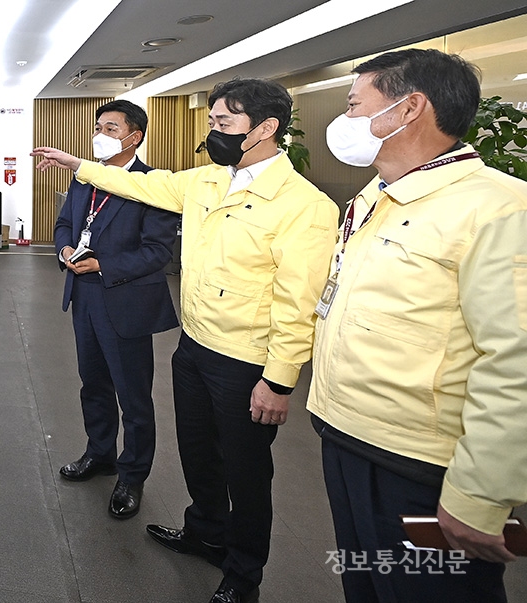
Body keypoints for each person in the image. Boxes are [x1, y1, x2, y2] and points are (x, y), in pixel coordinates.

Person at [32, 78, 339, 603]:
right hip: (195, 343)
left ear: (266, 127)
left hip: (246, 358)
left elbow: (298, 303)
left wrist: (279, 380)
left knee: (245, 472)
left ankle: (242, 574)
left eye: (224, 122)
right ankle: (204, 532)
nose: (212, 131)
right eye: (211, 120)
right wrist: (74, 163)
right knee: (199, 454)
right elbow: (141, 186)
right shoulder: (207, 180)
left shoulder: (305, 205)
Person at [308, 49, 526, 603]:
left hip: (420, 466)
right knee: (366, 584)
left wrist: (479, 495)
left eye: (354, 105)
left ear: (409, 109)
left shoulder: (498, 209)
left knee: (428, 593)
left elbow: (516, 363)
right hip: (347, 436)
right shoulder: (377, 195)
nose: (346, 119)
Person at [53, 99, 179, 520]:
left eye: (111, 128)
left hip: (125, 300)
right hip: (84, 296)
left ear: (134, 136)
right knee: (93, 384)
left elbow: (157, 252)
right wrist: (65, 250)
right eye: (98, 127)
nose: (100, 135)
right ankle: (100, 452)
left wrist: (103, 264)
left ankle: (132, 475)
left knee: (133, 395)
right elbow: (65, 224)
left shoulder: (154, 185)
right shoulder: (84, 178)